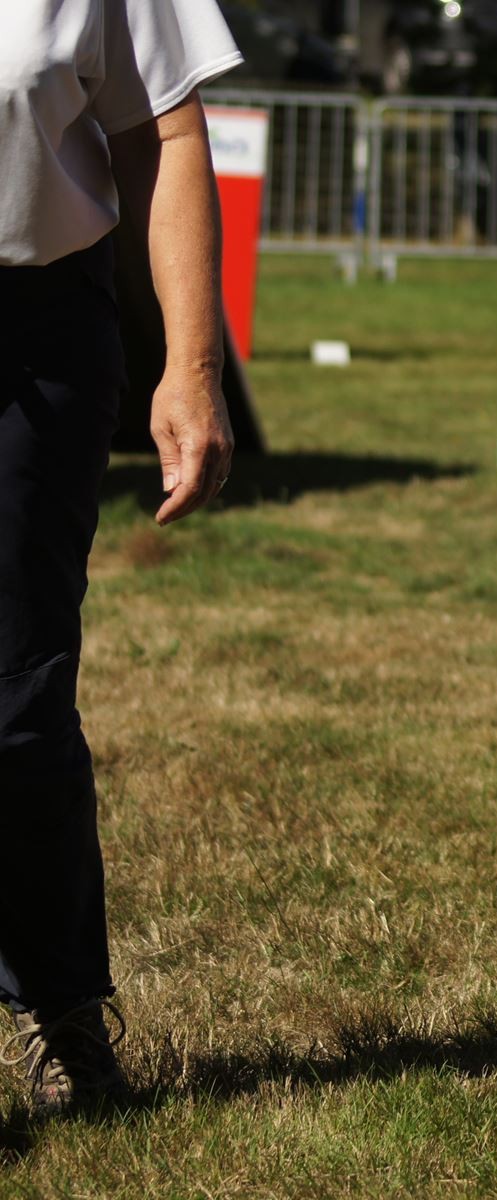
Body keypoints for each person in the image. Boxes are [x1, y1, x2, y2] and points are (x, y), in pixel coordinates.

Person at [0, 1, 241, 1112]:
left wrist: (189, 367)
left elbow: (168, 133)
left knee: (18, 693)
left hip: (36, 329)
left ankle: (57, 1012)